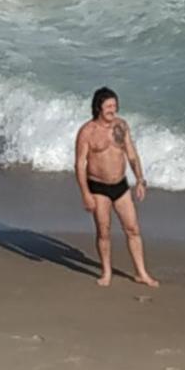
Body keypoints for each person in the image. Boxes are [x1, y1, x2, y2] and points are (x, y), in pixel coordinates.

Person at [74, 87, 158, 288]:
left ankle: (141, 273)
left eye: (115, 105)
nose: (114, 109)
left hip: (120, 186)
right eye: (109, 106)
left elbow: (131, 154)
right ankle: (106, 272)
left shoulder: (121, 126)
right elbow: (79, 164)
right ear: (98, 107)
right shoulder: (88, 132)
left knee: (133, 229)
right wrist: (85, 194)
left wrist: (139, 180)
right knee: (104, 231)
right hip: (98, 187)